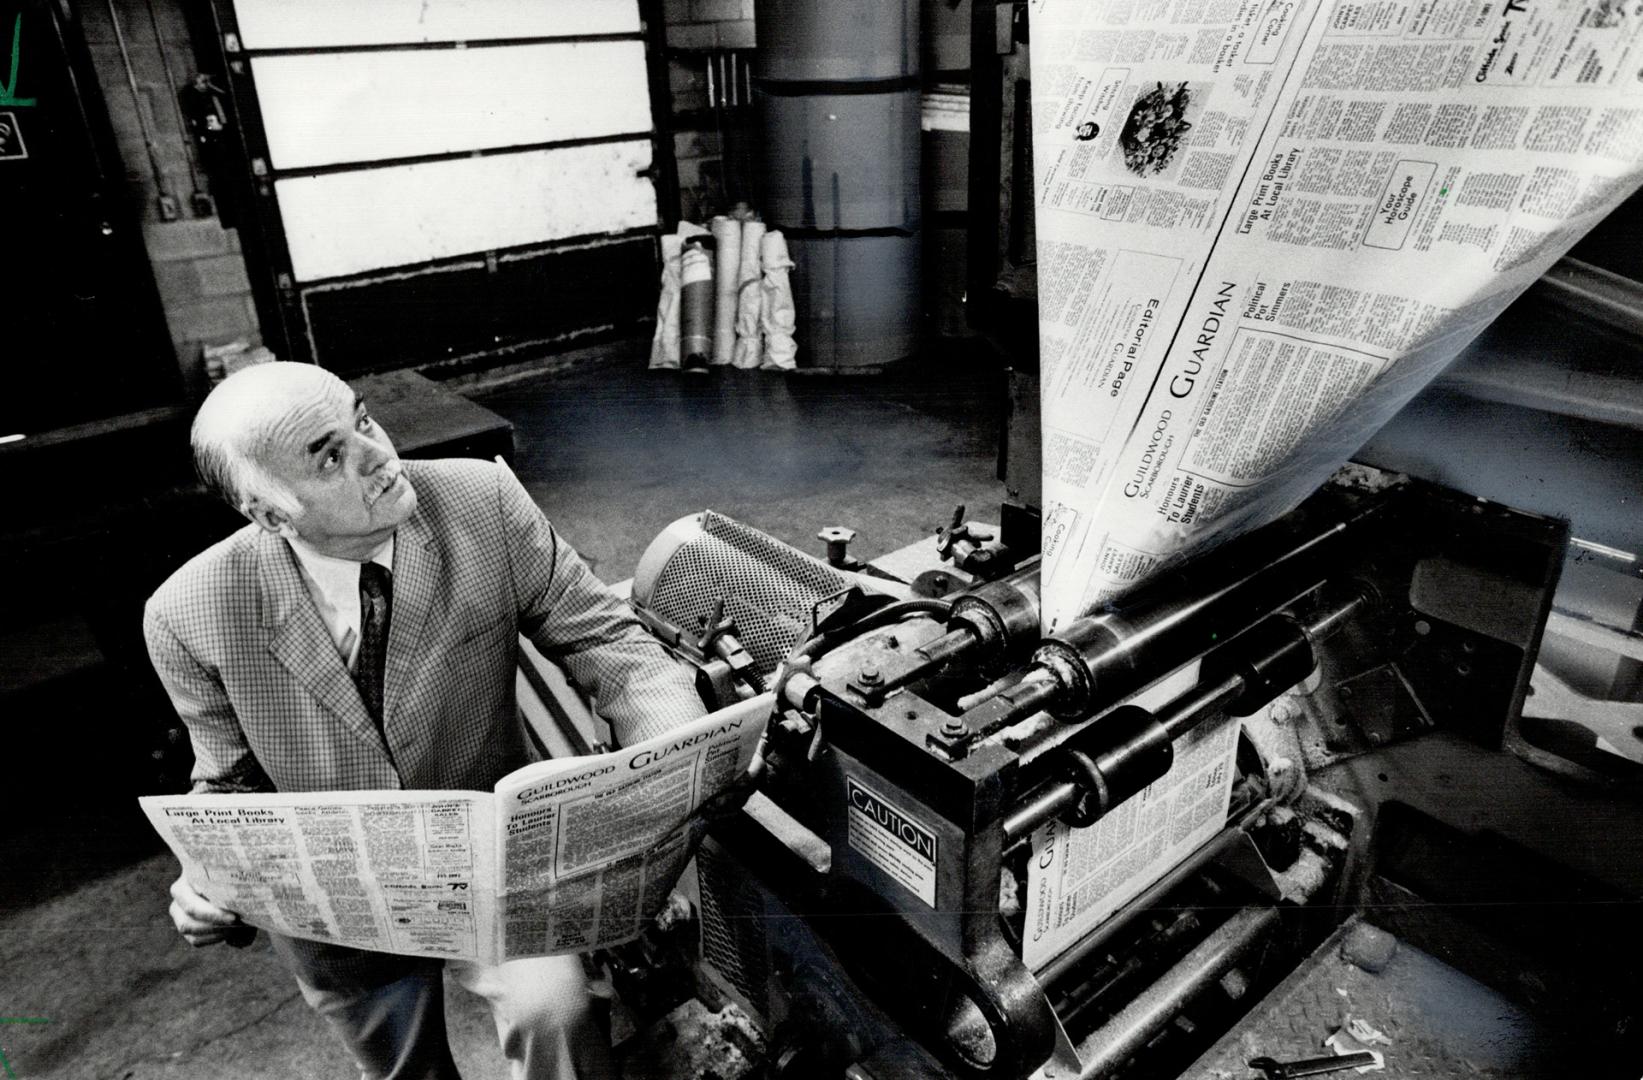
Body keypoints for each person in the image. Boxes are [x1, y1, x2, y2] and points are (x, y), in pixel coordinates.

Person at [144, 361, 707, 1080]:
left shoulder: (482, 501)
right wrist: (206, 876)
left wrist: (677, 759)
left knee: (557, 1012)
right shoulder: (188, 614)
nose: (380, 457)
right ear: (271, 515)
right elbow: (228, 784)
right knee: (403, 1070)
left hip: (494, 865)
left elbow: (606, 638)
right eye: (331, 457)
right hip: (340, 909)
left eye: (364, 420)